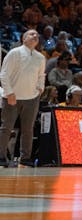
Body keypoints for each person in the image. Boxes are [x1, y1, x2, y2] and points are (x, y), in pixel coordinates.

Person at [0, 29, 46, 167]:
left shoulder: (40, 57)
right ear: (23, 38)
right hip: (12, 97)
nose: (35, 36)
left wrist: (40, 88)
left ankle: (25, 157)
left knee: (28, 129)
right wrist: (9, 93)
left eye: (37, 35)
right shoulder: (14, 53)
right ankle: (1, 156)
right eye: (31, 34)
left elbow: (41, 75)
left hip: (32, 98)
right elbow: (4, 74)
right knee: (6, 128)